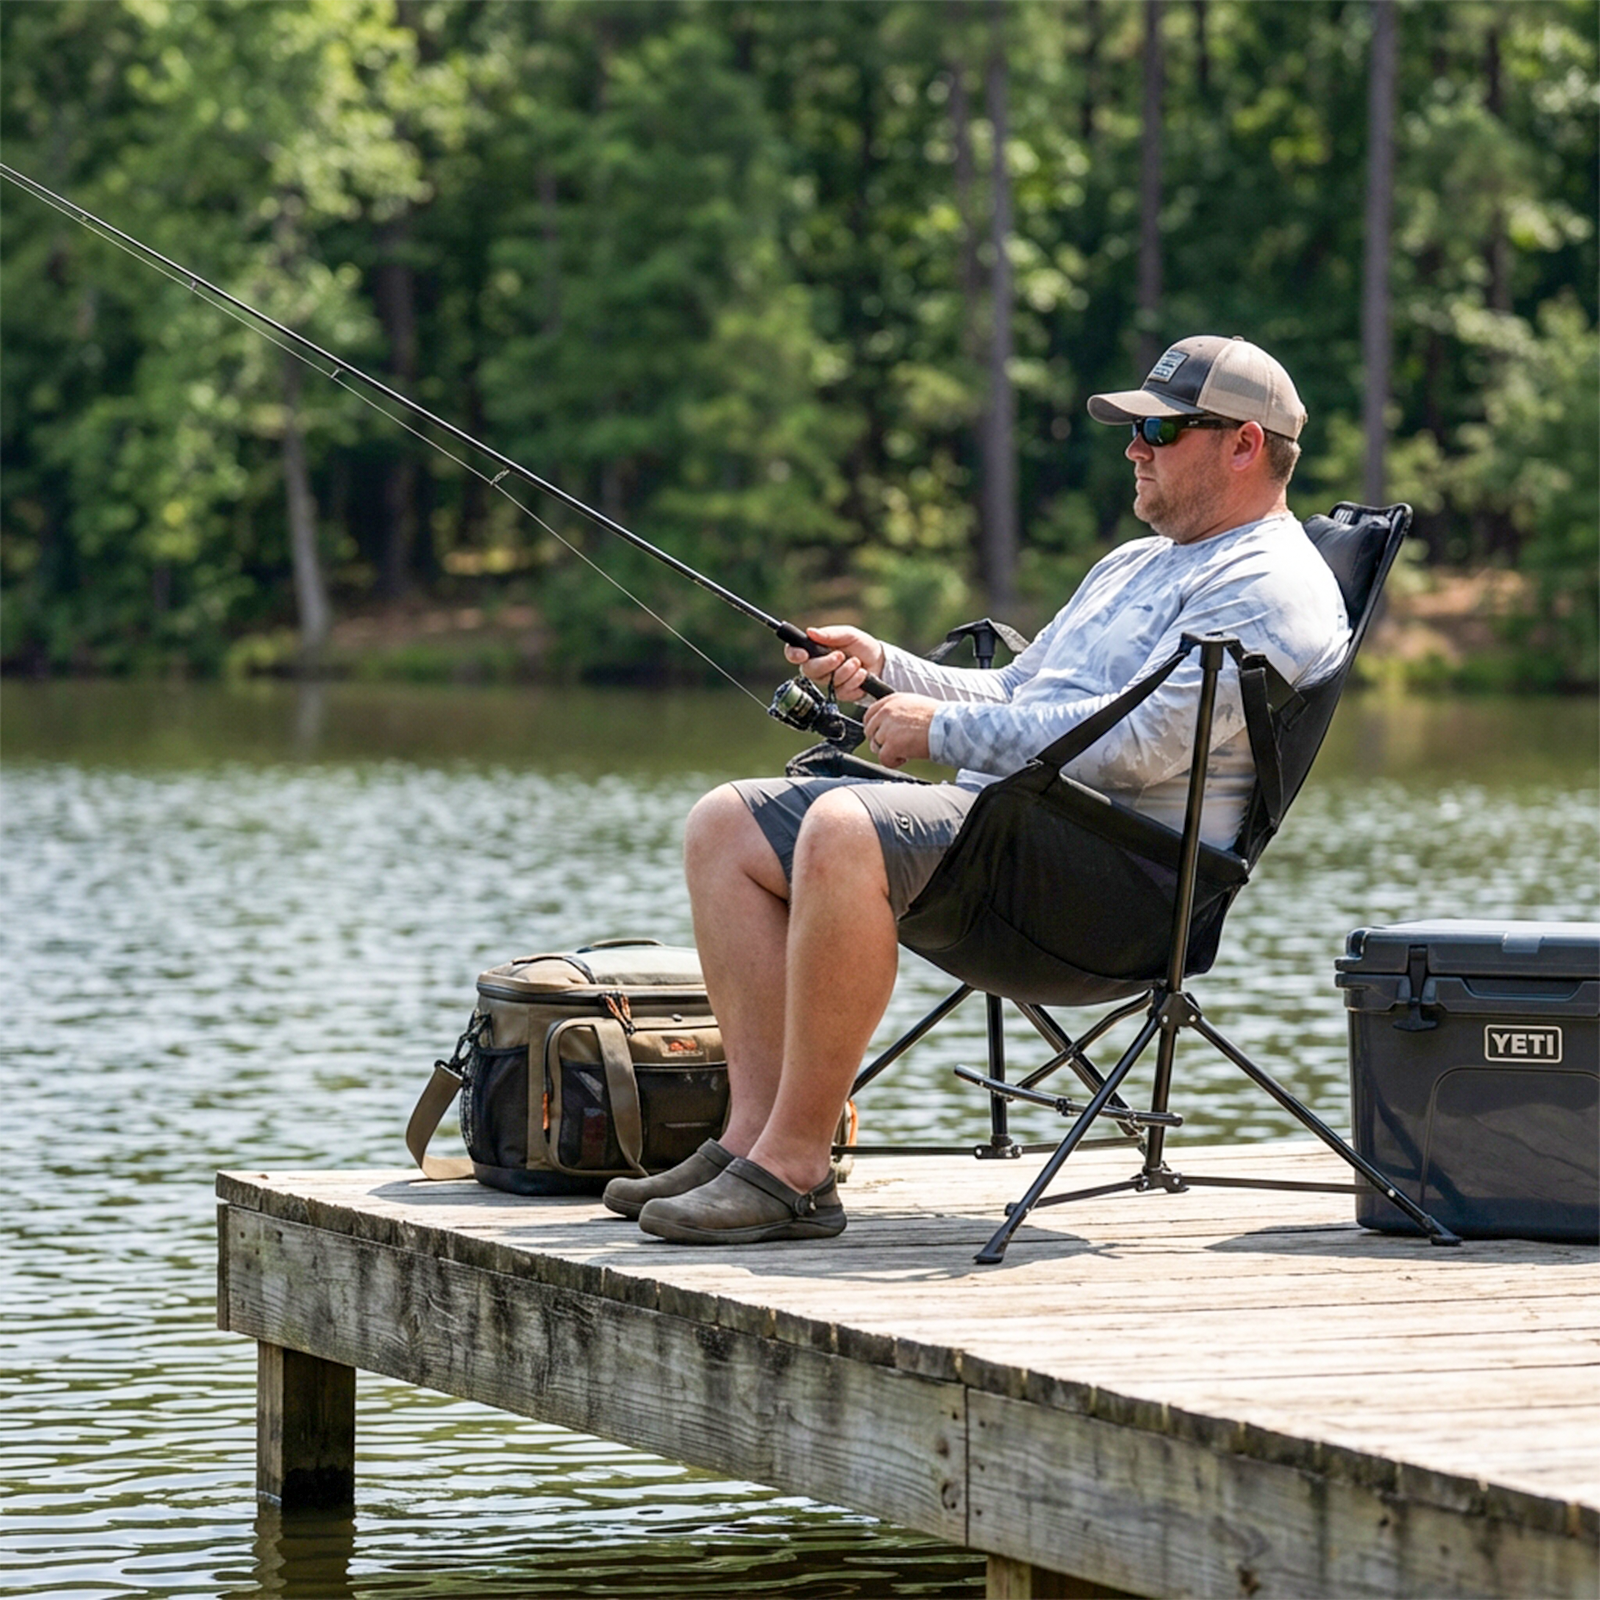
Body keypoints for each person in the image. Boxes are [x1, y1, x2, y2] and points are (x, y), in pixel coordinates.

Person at [603, 334, 1350, 1246]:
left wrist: (940, 732)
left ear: (1244, 444)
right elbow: (1019, 692)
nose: (1134, 448)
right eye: (1134, 429)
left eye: (1159, 430)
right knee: (726, 824)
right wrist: (887, 669)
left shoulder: (1272, 585)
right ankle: (749, 1141)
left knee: (844, 825)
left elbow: (1134, 748)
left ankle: (796, 1171)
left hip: (1122, 890)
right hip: (1015, 838)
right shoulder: (1134, 562)